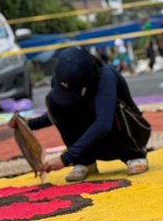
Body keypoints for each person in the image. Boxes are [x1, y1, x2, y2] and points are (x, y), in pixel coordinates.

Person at [15, 47, 150, 181]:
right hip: (94, 143)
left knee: (109, 108)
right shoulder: (62, 81)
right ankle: (85, 161)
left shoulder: (106, 76)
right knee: (53, 101)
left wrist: (65, 158)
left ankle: (134, 155)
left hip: (127, 137)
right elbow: (57, 114)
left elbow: (104, 123)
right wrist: (27, 124)